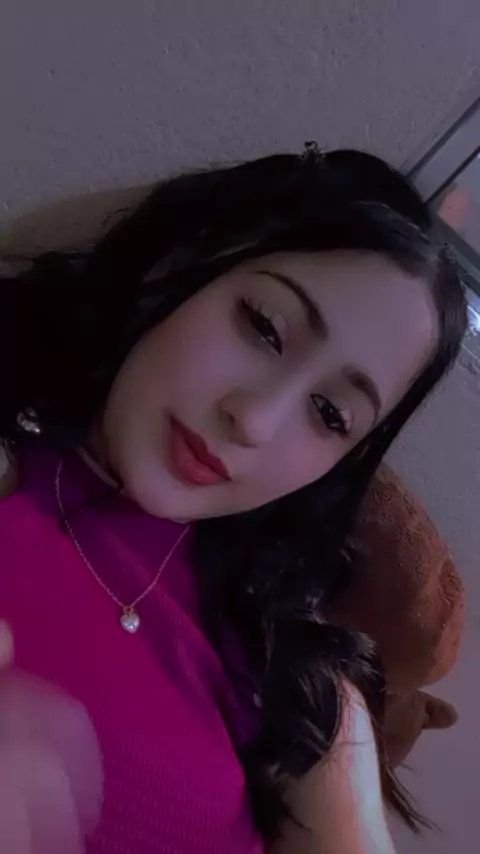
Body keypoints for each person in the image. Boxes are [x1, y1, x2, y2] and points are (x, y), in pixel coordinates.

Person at [0, 144, 467, 854]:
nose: (254, 420)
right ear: (185, 262)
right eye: (264, 327)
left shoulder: (305, 683)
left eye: (331, 415)